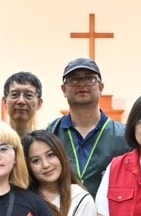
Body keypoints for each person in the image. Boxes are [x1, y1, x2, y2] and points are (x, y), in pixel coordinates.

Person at [49, 57, 128, 197]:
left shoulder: (124, 136)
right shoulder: (51, 133)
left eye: (89, 78)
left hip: (108, 210)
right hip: (61, 209)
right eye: (74, 80)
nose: (81, 84)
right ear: (64, 89)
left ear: (101, 87)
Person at [3, 71, 44, 138]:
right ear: (5, 102)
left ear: (39, 103)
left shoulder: (44, 142)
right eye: (15, 94)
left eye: (29, 95)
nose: (21, 101)